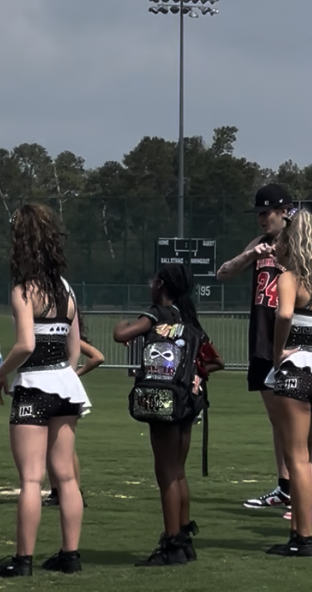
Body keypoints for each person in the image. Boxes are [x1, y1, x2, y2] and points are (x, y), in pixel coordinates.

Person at [0, 204, 90, 578]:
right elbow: (75, 348)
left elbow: (25, 344)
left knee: (32, 479)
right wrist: (64, 372)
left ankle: (24, 560)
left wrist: (0, 375)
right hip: (65, 384)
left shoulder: (22, 289)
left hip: (33, 386)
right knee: (66, 476)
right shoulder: (66, 289)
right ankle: (71, 555)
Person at [113, 264, 224, 565]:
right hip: (186, 401)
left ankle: (171, 542)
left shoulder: (155, 315)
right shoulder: (187, 320)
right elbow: (216, 362)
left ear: (161, 285)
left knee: (165, 474)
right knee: (177, 472)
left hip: (161, 399)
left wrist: (126, 321)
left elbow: (120, 334)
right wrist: (193, 376)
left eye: (154, 280)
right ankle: (184, 537)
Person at [216, 183, 293, 510]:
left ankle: (301, 491)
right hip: (263, 341)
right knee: (278, 421)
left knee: (297, 421)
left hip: (293, 341)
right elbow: (223, 274)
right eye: (259, 213)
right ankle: (286, 486)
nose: (261, 219)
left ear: (284, 212)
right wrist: (250, 255)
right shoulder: (261, 244)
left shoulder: (299, 245)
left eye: (267, 213)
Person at [266, 208, 312, 556]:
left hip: (296, 370)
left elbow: (283, 314)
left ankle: (303, 537)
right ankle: (299, 531)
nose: (275, 244)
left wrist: (278, 349)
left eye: (280, 238)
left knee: (297, 457)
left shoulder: (288, 277)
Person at [43, 311, 104, 508]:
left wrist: (75, 373)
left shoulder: (67, 336)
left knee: (64, 447)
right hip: (56, 388)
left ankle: (72, 491)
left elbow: (98, 357)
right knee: (52, 446)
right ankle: (58, 491)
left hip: (63, 389)